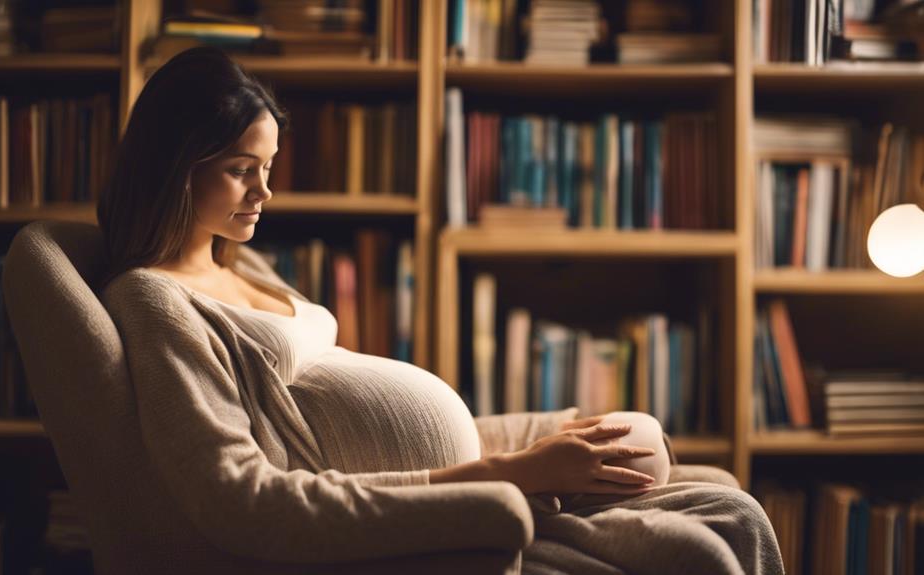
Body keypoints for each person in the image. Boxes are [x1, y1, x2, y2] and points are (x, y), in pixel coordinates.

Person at [97, 47, 784, 574]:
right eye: (242, 170)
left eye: (269, 168)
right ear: (175, 163)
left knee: (731, 509)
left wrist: (542, 433)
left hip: (481, 483)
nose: (264, 192)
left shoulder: (235, 262)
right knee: (711, 542)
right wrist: (512, 472)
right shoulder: (155, 299)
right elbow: (244, 498)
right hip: (438, 522)